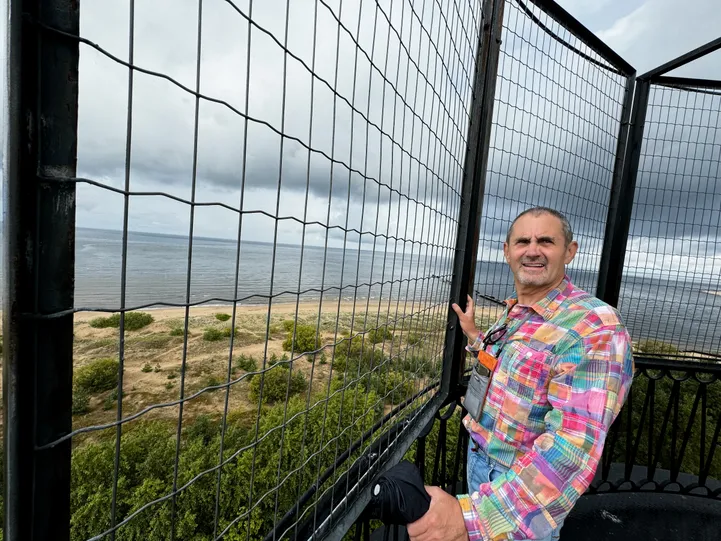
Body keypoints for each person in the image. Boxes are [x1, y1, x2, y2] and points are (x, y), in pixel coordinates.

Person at [407, 207, 634, 541]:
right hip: (481, 459)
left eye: (546, 241)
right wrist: (475, 337)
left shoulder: (594, 326)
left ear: (569, 251)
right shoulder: (518, 312)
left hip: (519, 485)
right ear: (507, 251)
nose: (532, 250)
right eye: (522, 241)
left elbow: (572, 448)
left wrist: (473, 520)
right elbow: (513, 367)